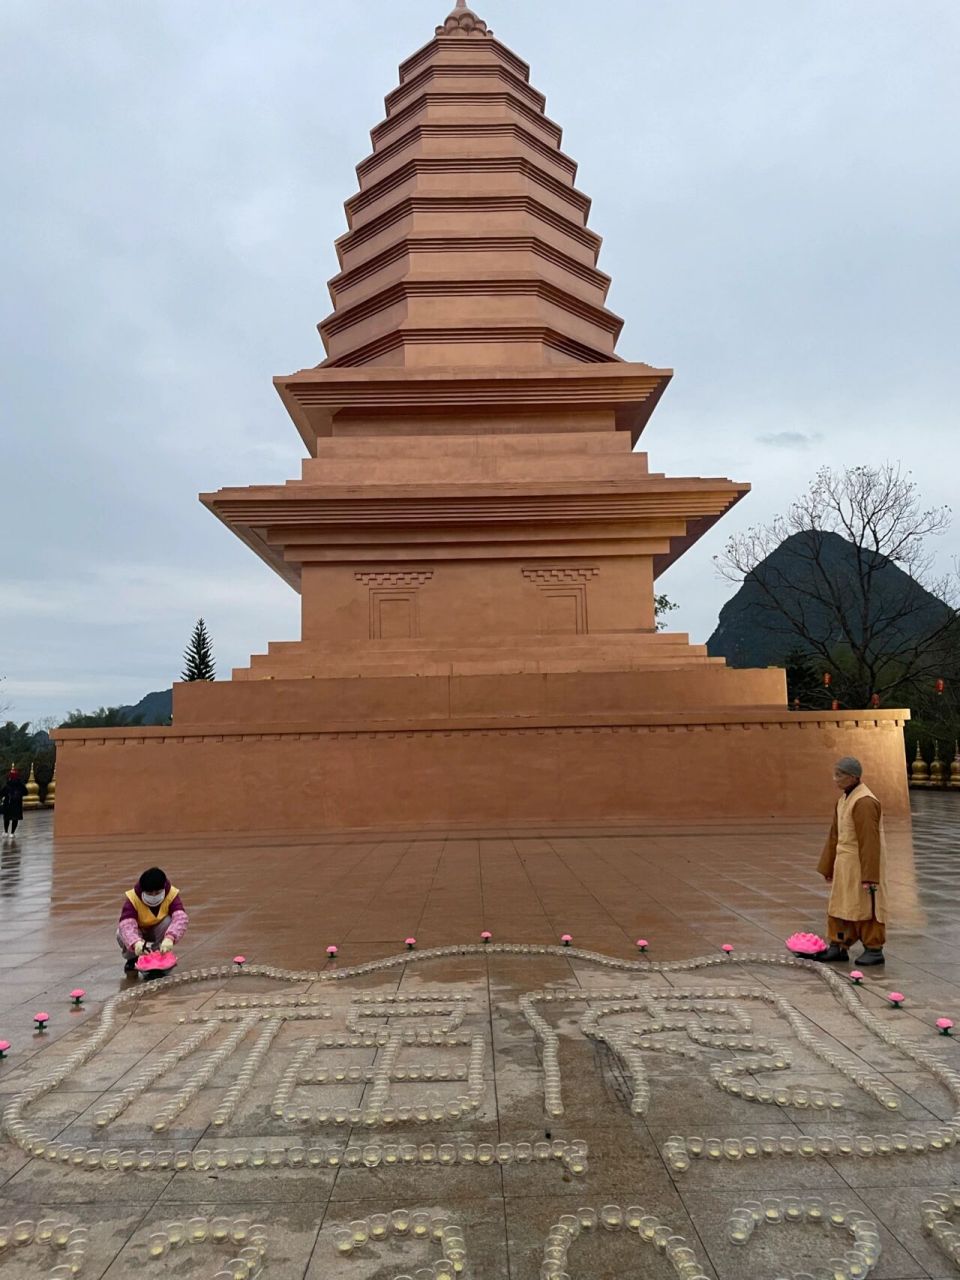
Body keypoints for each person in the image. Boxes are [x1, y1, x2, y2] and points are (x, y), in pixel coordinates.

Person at [815, 756, 887, 966]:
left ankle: (874, 948)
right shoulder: (843, 800)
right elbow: (835, 835)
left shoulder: (865, 802)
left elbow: (870, 841)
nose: (835, 779)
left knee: (866, 905)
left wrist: (870, 876)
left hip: (861, 863)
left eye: (840, 775)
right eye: (835, 774)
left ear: (853, 777)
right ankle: (838, 944)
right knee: (840, 903)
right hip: (844, 863)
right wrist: (828, 866)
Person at [117, 867, 188, 973]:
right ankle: (132, 959)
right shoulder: (133, 898)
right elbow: (126, 924)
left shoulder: (171, 894)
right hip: (139, 932)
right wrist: (135, 942)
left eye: (157, 892)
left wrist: (170, 937)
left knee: (168, 921)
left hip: (158, 931)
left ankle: (160, 955)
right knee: (121, 933)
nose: (154, 896)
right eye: (150, 894)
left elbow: (180, 917)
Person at [1, 767, 27, 839]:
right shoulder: (20, 785)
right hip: (17, 804)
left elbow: (2, 793)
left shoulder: (7, 785)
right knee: (15, 819)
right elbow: (26, 792)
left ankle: (6, 832)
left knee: (7, 818)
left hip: (8, 804)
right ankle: (12, 833)